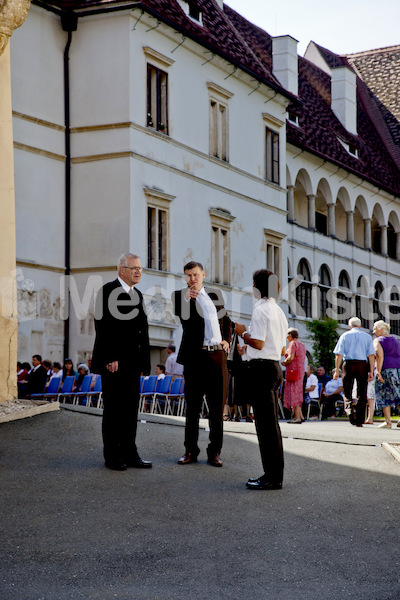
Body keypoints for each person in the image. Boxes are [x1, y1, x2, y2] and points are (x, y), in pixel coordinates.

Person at [91, 252, 151, 471]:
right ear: (121, 270)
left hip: (133, 363)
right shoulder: (108, 291)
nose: (138, 272)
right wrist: (110, 356)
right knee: (114, 410)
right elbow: (103, 325)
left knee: (130, 410)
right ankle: (113, 455)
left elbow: (141, 331)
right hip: (114, 363)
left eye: (140, 268)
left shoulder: (138, 295)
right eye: (133, 268)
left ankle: (130, 452)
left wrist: (145, 362)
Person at [172, 260, 232, 467]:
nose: (192, 279)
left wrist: (227, 340)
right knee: (193, 408)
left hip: (217, 357)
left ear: (203, 275)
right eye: (188, 275)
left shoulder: (215, 296)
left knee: (216, 409)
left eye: (195, 275)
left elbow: (227, 321)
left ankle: (214, 452)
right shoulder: (180, 296)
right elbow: (184, 320)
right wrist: (188, 300)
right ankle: (190, 451)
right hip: (195, 358)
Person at [235, 269, 288, 491]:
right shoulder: (279, 311)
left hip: (262, 370)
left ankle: (271, 477)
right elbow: (281, 347)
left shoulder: (260, 310)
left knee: (265, 427)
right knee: (271, 425)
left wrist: (242, 332)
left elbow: (257, 342)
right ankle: (274, 474)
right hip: (274, 366)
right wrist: (248, 348)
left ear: (256, 285)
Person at [333, 317, 375, 427]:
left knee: (347, 389)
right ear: (360, 326)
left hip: (349, 364)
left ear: (349, 326)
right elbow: (371, 355)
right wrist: (371, 371)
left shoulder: (345, 336)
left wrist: (337, 370)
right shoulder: (367, 337)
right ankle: (360, 420)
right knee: (362, 391)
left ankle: (349, 410)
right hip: (362, 364)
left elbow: (338, 354)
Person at [372, 320, 400, 429]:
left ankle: (388, 422)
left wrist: (378, 372)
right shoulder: (395, 340)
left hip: (385, 369)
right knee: (397, 393)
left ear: (380, 329)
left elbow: (379, 356)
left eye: (375, 328)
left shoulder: (378, 340)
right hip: (397, 369)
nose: (373, 331)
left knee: (383, 394)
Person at [281, 328, 306, 423]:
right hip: (300, 371)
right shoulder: (302, 344)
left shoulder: (293, 344)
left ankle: (297, 417)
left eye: (287, 335)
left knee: (293, 393)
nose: (286, 337)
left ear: (291, 335)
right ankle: (300, 415)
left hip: (293, 371)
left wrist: (284, 362)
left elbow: (291, 357)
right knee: (298, 392)